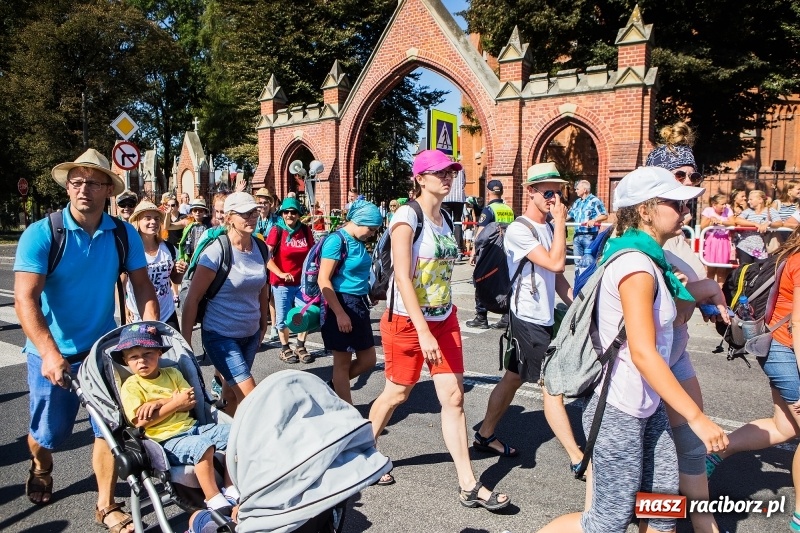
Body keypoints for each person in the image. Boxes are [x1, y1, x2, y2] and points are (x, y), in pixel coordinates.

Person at [538, 166, 728, 533]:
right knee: (607, 522)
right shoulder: (636, 266)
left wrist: (708, 294)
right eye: (675, 204)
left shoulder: (652, 260)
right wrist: (696, 418)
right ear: (645, 210)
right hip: (618, 410)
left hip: (648, 406)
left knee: (661, 513)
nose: (685, 211)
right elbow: (642, 352)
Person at [14, 148, 157, 532]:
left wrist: (149, 333)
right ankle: (41, 464)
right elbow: (25, 299)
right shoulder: (43, 233)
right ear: (67, 187)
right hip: (51, 351)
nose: (83, 189)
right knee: (49, 434)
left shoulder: (123, 233)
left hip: (101, 352)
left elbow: (142, 287)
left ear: (108, 189)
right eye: (76, 182)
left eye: (93, 183)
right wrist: (48, 352)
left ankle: (105, 505)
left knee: (108, 428)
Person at [368, 149, 510, 509]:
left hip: (443, 318)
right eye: (440, 172)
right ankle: (364, 450)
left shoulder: (445, 217)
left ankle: (468, 484)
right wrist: (423, 331)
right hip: (407, 321)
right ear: (420, 178)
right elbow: (403, 278)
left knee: (454, 398)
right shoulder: (406, 217)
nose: (448, 178)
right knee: (397, 394)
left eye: (451, 172)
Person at [473, 162, 583, 472]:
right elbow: (556, 262)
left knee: (513, 377)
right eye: (548, 193)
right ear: (531, 192)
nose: (555, 199)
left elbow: (556, 277)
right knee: (551, 385)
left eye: (559, 193)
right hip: (527, 317)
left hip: (544, 315)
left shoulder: (547, 227)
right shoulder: (520, 229)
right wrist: (560, 223)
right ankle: (577, 457)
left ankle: (485, 435)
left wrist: (578, 305)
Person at [705, 226, 800, 533]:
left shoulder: (790, 253)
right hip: (785, 348)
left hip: (781, 346)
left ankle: (715, 454)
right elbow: (798, 323)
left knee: (784, 427)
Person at [115, 324, 237, 515]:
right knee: (201, 445)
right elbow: (140, 422)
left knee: (236, 433)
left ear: (159, 353)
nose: (141, 361)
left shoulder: (172, 373)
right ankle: (213, 497)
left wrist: (161, 402)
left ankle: (230, 486)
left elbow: (189, 401)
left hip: (193, 427)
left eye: (148, 354)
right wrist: (175, 403)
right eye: (134, 357)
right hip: (165, 440)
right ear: (125, 361)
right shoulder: (132, 386)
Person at [181, 192, 269, 415]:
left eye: (254, 212)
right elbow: (193, 299)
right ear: (229, 217)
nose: (251, 218)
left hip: (250, 334)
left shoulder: (261, 248)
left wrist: (263, 324)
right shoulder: (215, 252)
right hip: (220, 336)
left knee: (231, 395)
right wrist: (185, 342)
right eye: (244, 214)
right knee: (251, 397)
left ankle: (227, 435)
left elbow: (262, 287)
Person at [318, 200, 382, 404]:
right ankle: (348, 411)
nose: (372, 234)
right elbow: (323, 279)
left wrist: (369, 292)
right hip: (340, 303)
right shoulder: (336, 241)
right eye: (371, 229)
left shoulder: (358, 241)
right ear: (359, 221)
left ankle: (333, 386)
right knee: (342, 363)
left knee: (368, 360)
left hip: (358, 304)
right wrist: (340, 313)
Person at [645, 122, 707, 279]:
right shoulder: (640, 236)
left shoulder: (673, 231)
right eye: (680, 175)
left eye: (694, 176)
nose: (689, 182)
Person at [266, 196, 315, 364]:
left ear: (299, 214)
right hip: (282, 283)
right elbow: (266, 256)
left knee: (304, 314)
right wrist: (280, 273)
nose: (289, 215)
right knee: (283, 318)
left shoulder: (305, 230)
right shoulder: (277, 230)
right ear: (281, 214)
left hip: (302, 282)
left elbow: (313, 254)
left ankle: (300, 346)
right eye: (286, 212)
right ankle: (285, 348)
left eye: (293, 212)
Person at [125, 201, 187, 331]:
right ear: (137, 221)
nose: (153, 222)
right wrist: (124, 307)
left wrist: (180, 270)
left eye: (157, 218)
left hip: (167, 313)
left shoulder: (169, 248)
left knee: (174, 345)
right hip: (138, 315)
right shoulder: (130, 251)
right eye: (147, 218)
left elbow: (175, 280)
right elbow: (120, 283)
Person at [466, 179, 515, 330]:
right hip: (505, 253)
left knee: (481, 281)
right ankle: (506, 317)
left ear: (488, 192)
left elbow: (480, 235)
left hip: (489, 252)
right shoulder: (509, 209)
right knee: (505, 283)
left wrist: (473, 253)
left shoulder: (488, 210)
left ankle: (481, 317)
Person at [567, 179, 608, 272]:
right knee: (577, 262)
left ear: (584, 190)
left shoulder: (595, 201)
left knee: (589, 262)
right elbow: (570, 215)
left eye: (577, 189)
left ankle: (589, 280)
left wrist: (594, 220)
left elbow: (604, 215)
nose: (575, 191)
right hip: (577, 236)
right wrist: (558, 219)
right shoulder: (577, 202)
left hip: (589, 236)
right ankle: (578, 279)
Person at [733, 189, 782, 264]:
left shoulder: (770, 210)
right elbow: (737, 220)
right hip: (745, 246)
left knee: (760, 269)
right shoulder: (748, 211)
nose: (748, 202)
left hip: (762, 249)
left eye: (751, 199)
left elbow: (779, 223)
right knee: (745, 269)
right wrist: (755, 224)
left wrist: (768, 224)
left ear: (760, 200)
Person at [700, 193, 734, 287]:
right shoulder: (708, 210)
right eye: (722, 204)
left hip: (724, 241)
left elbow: (733, 223)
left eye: (725, 203)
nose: (725, 206)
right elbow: (702, 226)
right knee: (710, 269)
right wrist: (711, 219)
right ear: (714, 205)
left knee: (722, 269)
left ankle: (720, 290)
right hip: (712, 241)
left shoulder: (728, 210)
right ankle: (709, 290)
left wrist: (721, 221)